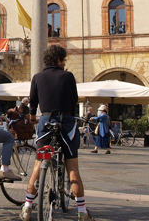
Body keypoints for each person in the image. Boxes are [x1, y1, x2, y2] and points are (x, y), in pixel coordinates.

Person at [20, 45, 94, 221]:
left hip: (45, 122)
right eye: (64, 60)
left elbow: (33, 104)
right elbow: (74, 100)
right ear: (59, 60)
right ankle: (82, 212)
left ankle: (27, 207)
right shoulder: (68, 76)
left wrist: (32, 118)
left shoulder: (37, 77)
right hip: (66, 123)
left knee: (38, 165)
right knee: (72, 168)